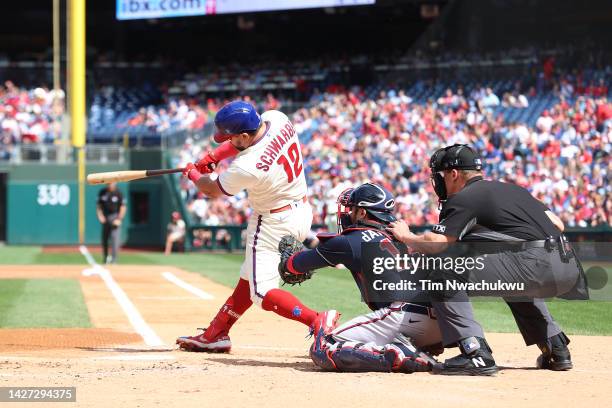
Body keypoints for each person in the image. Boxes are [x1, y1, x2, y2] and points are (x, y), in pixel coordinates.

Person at [387, 144, 587, 376]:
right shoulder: (514, 190)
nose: (438, 182)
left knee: (441, 271)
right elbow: (557, 224)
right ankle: (556, 348)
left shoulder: (466, 196)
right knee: (511, 281)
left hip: (535, 264)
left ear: (453, 174)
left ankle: (475, 353)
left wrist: (406, 236)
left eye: (440, 175)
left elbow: (437, 243)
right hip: (568, 266)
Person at [176, 100, 339, 352]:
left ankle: (316, 319)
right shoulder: (277, 118)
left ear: (243, 135)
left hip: (272, 221)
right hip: (301, 210)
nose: (227, 141)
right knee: (249, 276)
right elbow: (241, 143)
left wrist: (193, 174)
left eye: (231, 137)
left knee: (261, 292)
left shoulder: (247, 165)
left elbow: (210, 189)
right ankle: (216, 333)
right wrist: (211, 157)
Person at [278, 183, 440, 373]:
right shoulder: (403, 236)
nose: (348, 214)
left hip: (402, 316)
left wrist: (288, 259)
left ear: (362, 213)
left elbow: (293, 266)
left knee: (322, 347)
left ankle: (399, 353)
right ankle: (415, 351)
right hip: (441, 323)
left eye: (352, 209)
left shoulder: (350, 239)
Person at [96, 182, 126, 264]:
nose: (110, 185)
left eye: (111, 183)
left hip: (115, 217)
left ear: (115, 183)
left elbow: (123, 207)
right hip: (105, 218)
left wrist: (119, 219)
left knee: (115, 240)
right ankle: (105, 258)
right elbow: (99, 206)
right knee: (104, 240)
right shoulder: (102, 192)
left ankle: (114, 260)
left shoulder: (119, 193)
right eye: (108, 183)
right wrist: (100, 216)